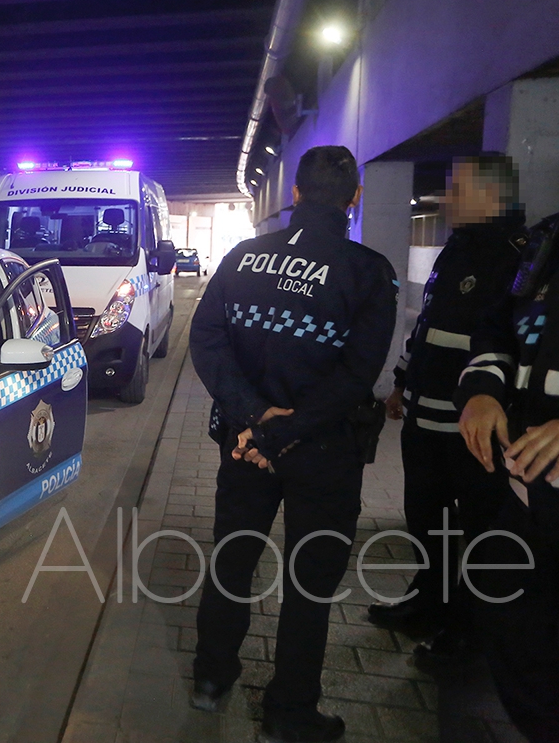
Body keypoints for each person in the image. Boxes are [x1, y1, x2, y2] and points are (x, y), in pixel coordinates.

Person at [188, 146, 398, 743]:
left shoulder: (243, 257)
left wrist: (254, 418)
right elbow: (357, 374)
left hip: (245, 446)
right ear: (354, 198)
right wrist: (284, 428)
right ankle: (290, 712)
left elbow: (206, 341)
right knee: (310, 582)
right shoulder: (368, 271)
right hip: (323, 452)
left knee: (232, 560)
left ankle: (211, 679)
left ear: (295, 194)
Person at [370, 156, 525, 659]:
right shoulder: (457, 248)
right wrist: (401, 383)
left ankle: (469, 630)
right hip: (424, 417)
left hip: (470, 431)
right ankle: (428, 601)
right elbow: (428, 326)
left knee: (480, 529)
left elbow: (507, 345)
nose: (446, 199)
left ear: (491, 196)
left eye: (457, 189)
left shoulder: (516, 258)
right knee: (426, 518)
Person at [456, 207, 559, 742]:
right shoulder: (546, 241)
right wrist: (481, 391)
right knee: (508, 617)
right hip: (528, 493)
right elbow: (498, 329)